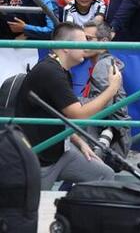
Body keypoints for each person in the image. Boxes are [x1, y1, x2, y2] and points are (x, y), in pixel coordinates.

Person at [15, 22, 119, 189]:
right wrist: (112, 89)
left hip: (61, 151)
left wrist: (79, 142)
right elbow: (79, 115)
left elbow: (62, 116)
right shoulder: (50, 71)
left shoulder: (61, 70)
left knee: (104, 174)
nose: (86, 46)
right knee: (35, 204)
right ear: (65, 47)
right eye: (82, 41)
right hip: (39, 159)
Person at [81, 21, 131, 162]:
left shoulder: (102, 65)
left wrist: (74, 103)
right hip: (110, 137)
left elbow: (103, 106)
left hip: (107, 143)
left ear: (103, 42)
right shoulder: (106, 62)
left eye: (88, 39)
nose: (81, 43)